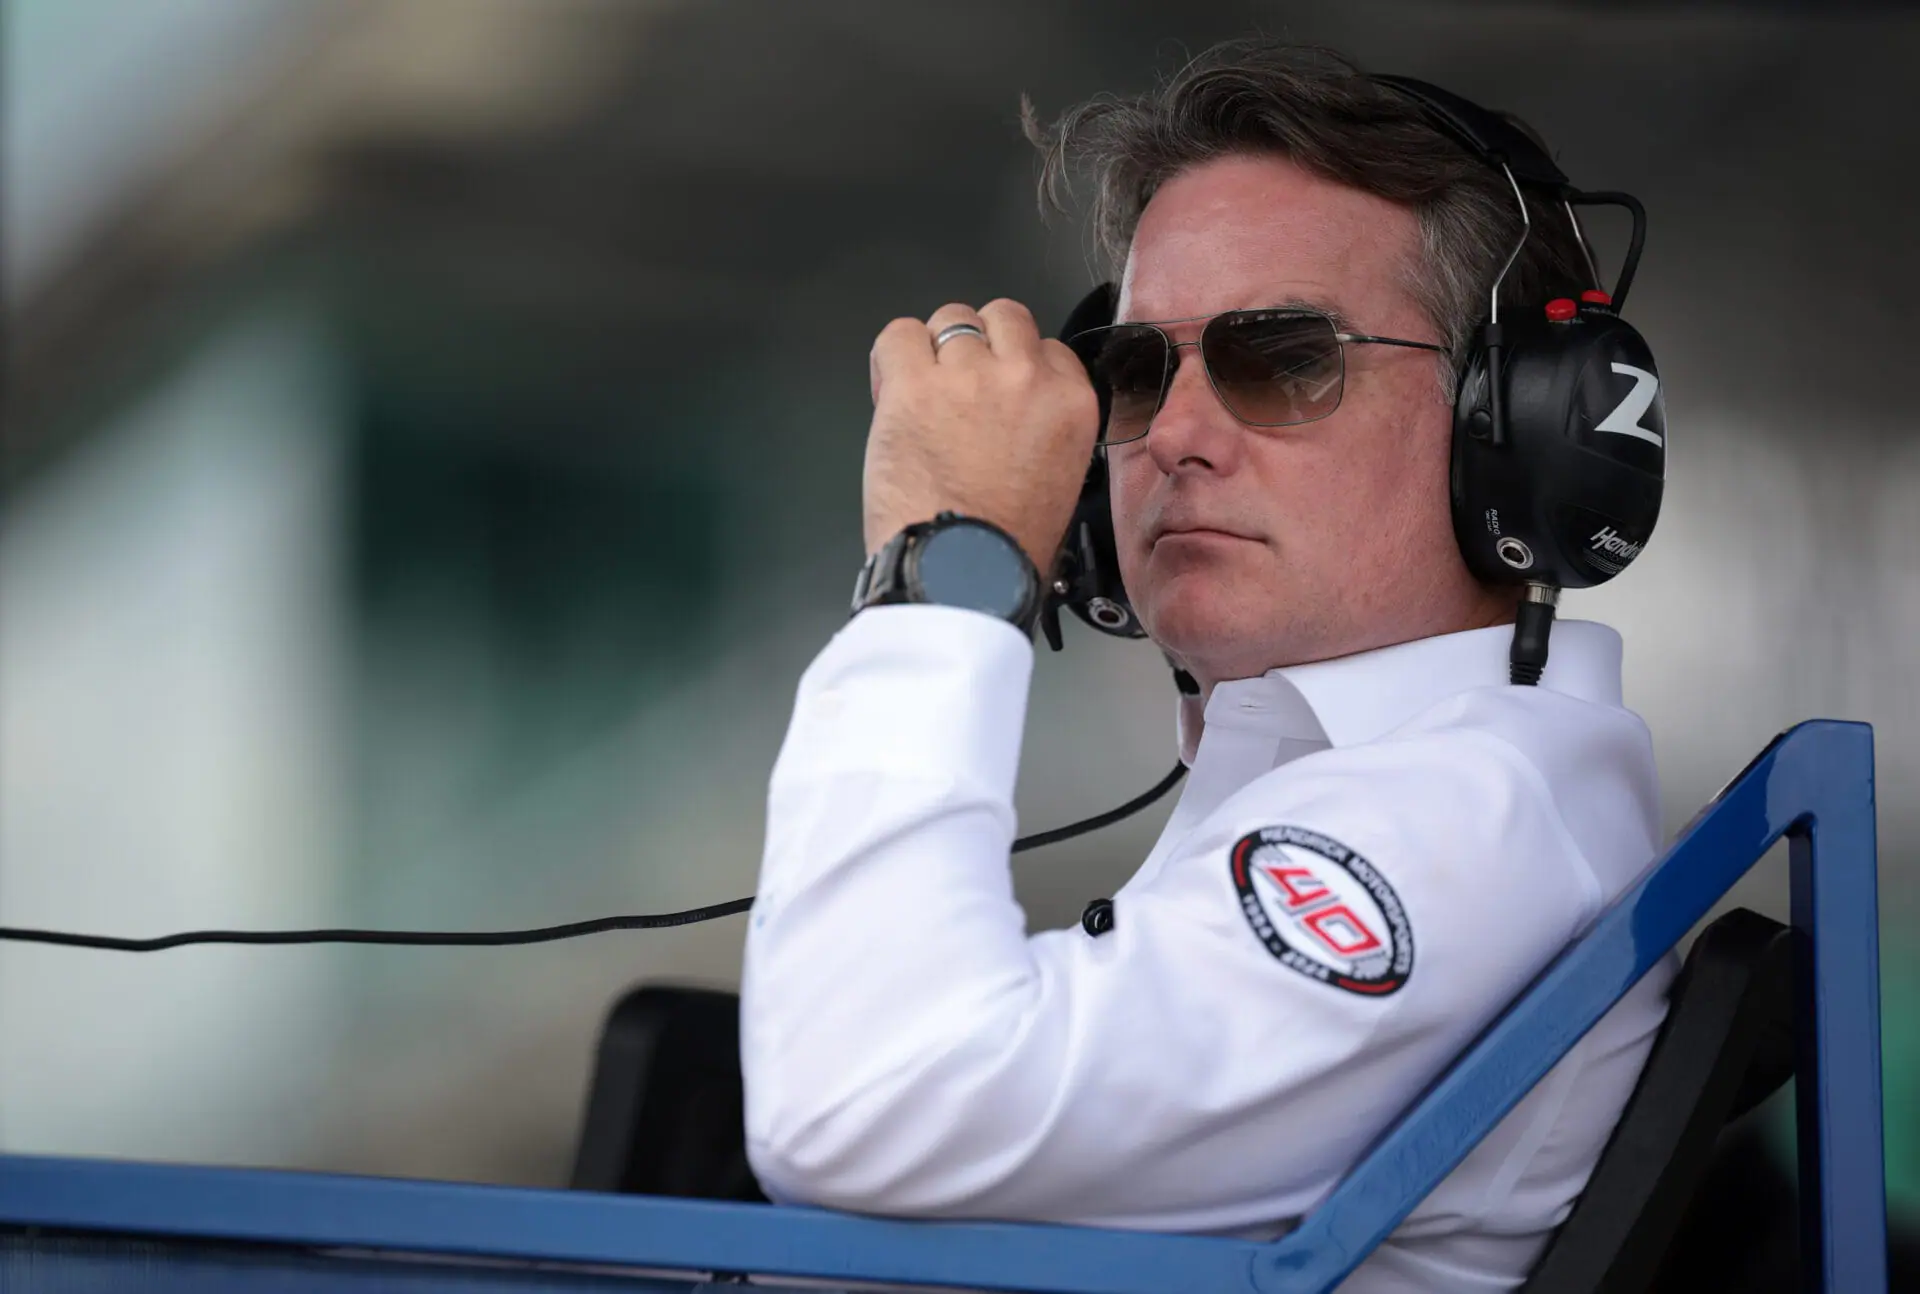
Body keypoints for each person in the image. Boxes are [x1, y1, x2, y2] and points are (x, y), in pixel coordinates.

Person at [738, 39, 1674, 1294]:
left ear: (1515, 430)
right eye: (1132, 371)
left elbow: (863, 1102)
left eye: (1283, 358)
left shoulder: (1467, 820)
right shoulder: (1368, 788)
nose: (1171, 435)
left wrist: (947, 574)